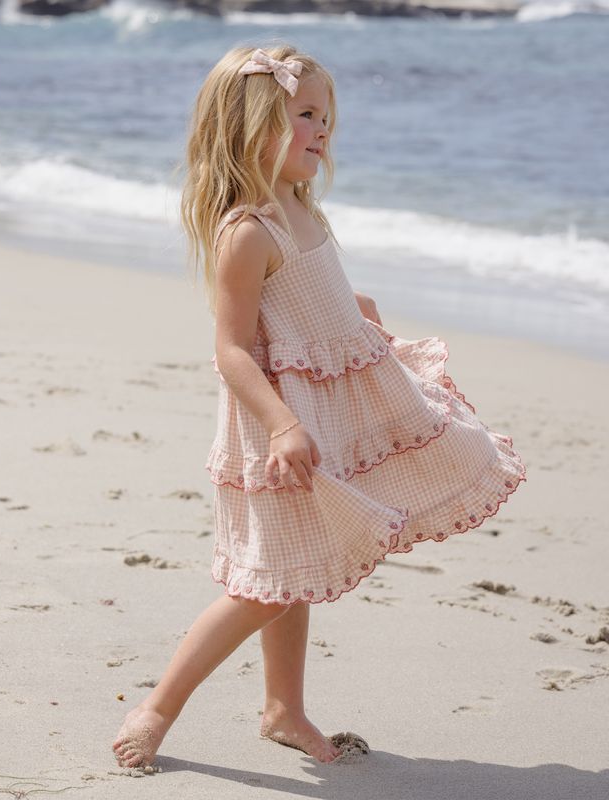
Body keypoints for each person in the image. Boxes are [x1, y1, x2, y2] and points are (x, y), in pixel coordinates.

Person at [112, 43, 527, 771]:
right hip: (281, 425)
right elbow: (233, 348)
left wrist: (356, 310)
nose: (323, 128)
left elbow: (313, 296)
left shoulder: (302, 208)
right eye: (305, 114)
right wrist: (282, 424)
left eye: (327, 116)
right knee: (263, 588)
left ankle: (283, 710)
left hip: (325, 415)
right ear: (252, 126)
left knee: (296, 570)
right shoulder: (249, 231)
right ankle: (156, 708)